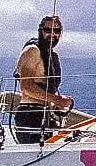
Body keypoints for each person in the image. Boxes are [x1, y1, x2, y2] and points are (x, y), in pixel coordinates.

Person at [12, 15, 74, 144]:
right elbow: (27, 87)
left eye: (56, 31)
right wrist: (56, 100)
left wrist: (57, 104)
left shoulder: (50, 55)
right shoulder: (32, 50)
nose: (52, 34)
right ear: (40, 31)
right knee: (34, 156)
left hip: (44, 114)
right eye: (48, 30)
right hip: (30, 114)